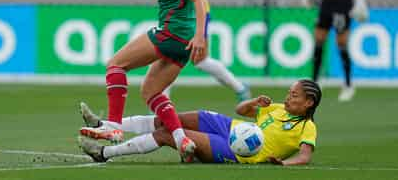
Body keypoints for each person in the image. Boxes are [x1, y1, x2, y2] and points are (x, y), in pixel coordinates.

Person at [74, 0, 207, 162]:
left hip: (172, 33)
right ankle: (182, 140)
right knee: (152, 92)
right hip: (181, 45)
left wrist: (200, 36)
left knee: (115, 64)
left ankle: (113, 125)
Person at [79, 79, 321, 165]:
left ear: (308, 103)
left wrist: (283, 164)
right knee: (170, 118)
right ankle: (106, 126)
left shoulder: (306, 126)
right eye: (289, 92)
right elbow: (240, 109)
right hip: (233, 127)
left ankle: (104, 152)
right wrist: (254, 103)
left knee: (168, 134)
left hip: (240, 151)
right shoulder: (276, 108)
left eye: (294, 95)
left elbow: (304, 156)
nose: (288, 97)